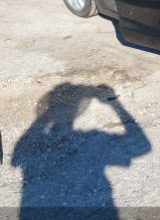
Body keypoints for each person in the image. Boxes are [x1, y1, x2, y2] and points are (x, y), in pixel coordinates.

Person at [12, 83, 151, 220]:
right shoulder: (93, 139)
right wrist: (116, 105)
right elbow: (142, 147)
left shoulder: (26, 144)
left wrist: (48, 114)